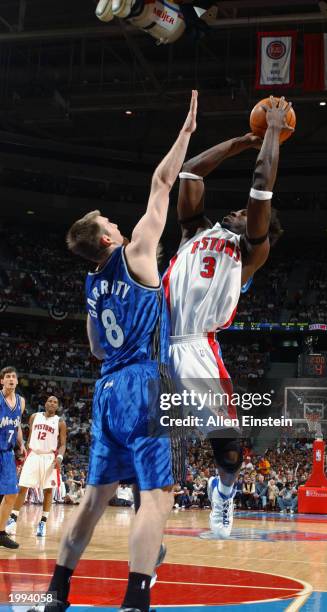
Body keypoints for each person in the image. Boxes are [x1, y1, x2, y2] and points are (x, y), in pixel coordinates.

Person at [30, 91, 198, 612]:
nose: (118, 225)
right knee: (157, 496)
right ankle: (136, 599)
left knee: (95, 497)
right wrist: (186, 132)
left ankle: (57, 591)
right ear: (105, 240)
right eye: (110, 224)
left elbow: (97, 346)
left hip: (107, 390)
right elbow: (162, 183)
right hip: (146, 382)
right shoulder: (136, 252)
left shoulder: (91, 285)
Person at [163, 96, 291, 537]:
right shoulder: (194, 230)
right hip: (156, 338)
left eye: (243, 213)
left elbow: (261, 186)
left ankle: (224, 494)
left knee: (229, 444)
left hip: (197, 345)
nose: (235, 211)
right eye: (236, 210)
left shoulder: (252, 249)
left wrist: (273, 131)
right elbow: (192, 171)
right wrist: (240, 140)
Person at [6, 395, 67, 538]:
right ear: (45, 404)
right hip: (33, 455)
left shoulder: (60, 422)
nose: (52, 403)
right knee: (22, 488)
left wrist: (59, 457)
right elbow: (31, 436)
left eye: (55, 402)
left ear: (57, 407)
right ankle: (13, 520)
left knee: (47, 491)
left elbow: (63, 444)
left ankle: (43, 523)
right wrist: (25, 451)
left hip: (49, 457)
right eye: (50, 401)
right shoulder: (34, 417)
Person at [0, 366, 27, 549]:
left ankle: (1, 533)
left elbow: (17, 425)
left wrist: (22, 443)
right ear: (1, 381)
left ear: (17, 381)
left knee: (11, 494)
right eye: (7, 376)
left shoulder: (21, 402)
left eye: (13, 377)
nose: (11, 379)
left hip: (7, 452)